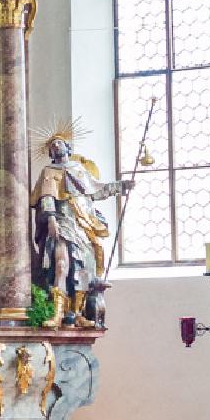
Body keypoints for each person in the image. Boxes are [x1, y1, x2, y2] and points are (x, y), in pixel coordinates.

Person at [32, 132, 120, 326]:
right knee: (61, 265)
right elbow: (46, 197)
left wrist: (120, 187)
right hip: (62, 221)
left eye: (59, 143)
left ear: (67, 147)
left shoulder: (78, 169)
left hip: (82, 222)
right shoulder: (49, 171)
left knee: (83, 269)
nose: (56, 146)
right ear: (50, 152)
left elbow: (97, 189)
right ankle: (57, 313)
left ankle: (77, 313)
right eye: (53, 145)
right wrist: (51, 219)